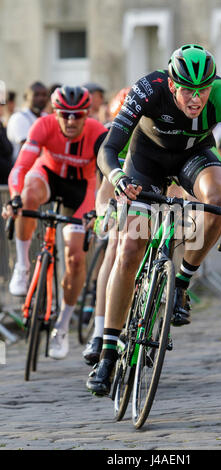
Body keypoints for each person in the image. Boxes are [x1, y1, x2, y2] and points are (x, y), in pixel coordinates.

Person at [86, 44, 221, 396]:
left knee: (220, 201)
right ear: (172, 84)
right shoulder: (149, 88)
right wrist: (118, 179)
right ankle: (109, 351)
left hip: (193, 158)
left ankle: (180, 282)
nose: (196, 99)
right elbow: (108, 149)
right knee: (129, 249)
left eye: (203, 90)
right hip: (146, 163)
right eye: (188, 90)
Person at [2, 86, 108, 359]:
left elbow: (108, 174)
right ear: (55, 113)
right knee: (26, 197)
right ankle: (24, 267)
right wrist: (13, 199)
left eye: (78, 115)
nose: (71, 121)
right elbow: (21, 167)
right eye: (65, 115)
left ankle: (61, 327)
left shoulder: (97, 131)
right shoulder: (43, 125)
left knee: (74, 258)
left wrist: (98, 210)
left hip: (81, 188)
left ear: (87, 114)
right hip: (47, 175)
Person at [82, 87, 131, 365]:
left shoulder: (161, 135)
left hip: (155, 198)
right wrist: (103, 214)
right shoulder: (113, 140)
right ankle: (100, 333)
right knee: (114, 247)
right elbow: (104, 189)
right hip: (124, 203)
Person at [7, 82, 48, 162]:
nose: (41, 98)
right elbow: (30, 149)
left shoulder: (46, 116)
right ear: (26, 97)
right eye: (36, 95)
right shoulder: (19, 118)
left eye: (44, 95)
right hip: (21, 167)